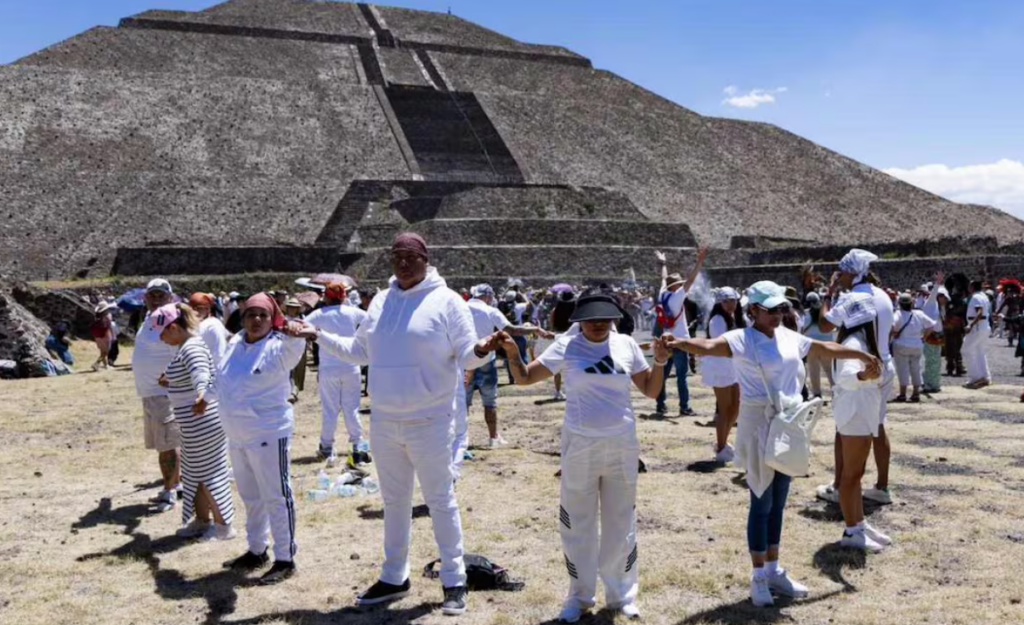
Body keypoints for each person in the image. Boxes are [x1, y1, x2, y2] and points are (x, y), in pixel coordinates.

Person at [301, 233, 503, 616]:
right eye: (397, 256)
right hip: (385, 420)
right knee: (394, 503)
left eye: (411, 256)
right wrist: (318, 335)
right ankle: (395, 576)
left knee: (440, 501)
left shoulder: (447, 301)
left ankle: (454, 579)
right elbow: (359, 351)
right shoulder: (380, 300)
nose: (404, 263)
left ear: (426, 258)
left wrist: (481, 349)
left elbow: (466, 355)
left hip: (430, 420)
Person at [665, 281, 880, 607]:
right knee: (761, 501)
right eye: (771, 309)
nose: (778, 314)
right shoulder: (741, 339)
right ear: (753, 310)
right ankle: (759, 576)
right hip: (758, 425)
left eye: (781, 308)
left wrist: (861, 354)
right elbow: (707, 345)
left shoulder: (790, 337)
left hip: (788, 424)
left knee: (779, 501)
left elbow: (824, 349)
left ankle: (773, 568)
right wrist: (679, 342)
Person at [499, 292, 668, 622]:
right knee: (577, 524)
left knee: (621, 522)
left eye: (604, 319)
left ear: (613, 319)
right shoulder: (566, 346)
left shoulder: (626, 345)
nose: (598, 325)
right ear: (579, 321)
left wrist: (660, 362)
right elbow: (524, 378)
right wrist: (512, 353)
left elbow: (650, 390)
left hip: (621, 444)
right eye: (591, 320)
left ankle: (622, 595)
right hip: (580, 446)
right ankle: (579, 597)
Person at [218, 293, 308, 585]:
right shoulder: (234, 344)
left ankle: (285, 558)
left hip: (268, 433)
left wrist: (293, 329)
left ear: (272, 319)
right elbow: (223, 379)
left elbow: (296, 346)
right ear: (242, 318)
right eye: (250, 314)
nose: (256, 320)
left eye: (263, 315)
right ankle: (257, 550)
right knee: (251, 495)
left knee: (276, 495)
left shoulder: (280, 347)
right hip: (237, 433)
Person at [817, 249, 896, 506]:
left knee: (844, 425)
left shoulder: (852, 298)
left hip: (860, 366)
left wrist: (828, 295)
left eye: (841, 272)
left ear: (852, 273)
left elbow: (825, 325)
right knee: (878, 426)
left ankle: (840, 485)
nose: (838, 277)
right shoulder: (883, 295)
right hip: (884, 362)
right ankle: (882, 486)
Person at [152, 303, 236, 542]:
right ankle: (201, 521)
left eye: (162, 332)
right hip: (192, 425)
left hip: (202, 422)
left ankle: (223, 527)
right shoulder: (186, 347)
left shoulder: (192, 348)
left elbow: (202, 375)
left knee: (210, 474)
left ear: (174, 328)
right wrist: (171, 382)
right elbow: (189, 376)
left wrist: (201, 395)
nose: (160, 338)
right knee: (193, 474)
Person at [828, 293, 891, 552]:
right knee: (851, 475)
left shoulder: (860, 341)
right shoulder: (854, 342)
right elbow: (846, 376)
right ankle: (852, 529)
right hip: (855, 414)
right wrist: (864, 376)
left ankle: (859, 524)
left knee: (856, 474)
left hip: (861, 413)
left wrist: (869, 376)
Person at [461, 284, 553, 458]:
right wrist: (536, 329)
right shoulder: (490, 310)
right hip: (486, 359)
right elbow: (512, 330)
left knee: (462, 403)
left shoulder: (459, 307)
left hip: (464, 360)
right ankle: (493, 437)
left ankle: (462, 441)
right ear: (488, 296)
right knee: (490, 401)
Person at [304, 282, 369, 467]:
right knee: (352, 408)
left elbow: (302, 326)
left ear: (326, 296)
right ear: (343, 296)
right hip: (351, 365)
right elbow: (370, 321)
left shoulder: (319, 314)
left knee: (330, 409)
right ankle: (358, 445)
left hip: (329, 368)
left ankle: (326, 447)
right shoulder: (353, 312)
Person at [132, 279, 181, 513]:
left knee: (168, 445)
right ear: (145, 298)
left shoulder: (169, 321)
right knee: (164, 445)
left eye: (161, 295)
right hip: (151, 393)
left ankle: (170, 491)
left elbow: (181, 351)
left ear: (170, 298)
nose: (156, 299)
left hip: (164, 393)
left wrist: (173, 377)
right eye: (152, 294)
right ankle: (175, 485)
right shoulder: (150, 320)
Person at [653, 247, 708, 416]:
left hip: (665, 340)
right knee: (681, 377)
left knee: (663, 374)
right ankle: (684, 407)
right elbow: (690, 280)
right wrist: (699, 261)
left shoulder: (662, 295)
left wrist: (663, 263)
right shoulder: (677, 297)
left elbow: (663, 278)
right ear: (676, 286)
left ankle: (660, 404)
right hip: (679, 341)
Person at [703, 287, 744, 464]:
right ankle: (720, 447)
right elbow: (723, 345)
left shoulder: (737, 317)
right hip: (720, 367)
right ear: (720, 303)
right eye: (726, 301)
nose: (730, 304)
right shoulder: (717, 320)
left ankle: (724, 442)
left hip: (734, 366)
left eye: (733, 300)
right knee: (724, 408)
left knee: (735, 407)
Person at [890, 293, 936, 403]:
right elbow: (931, 326)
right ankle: (916, 393)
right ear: (912, 303)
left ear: (900, 304)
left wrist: (894, 334)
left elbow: (892, 325)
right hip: (917, 344)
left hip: (901, 345)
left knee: (902, 369)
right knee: (916, 368)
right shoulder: (919, 313)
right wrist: (924, 337)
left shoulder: (898, 313)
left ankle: (903, 394)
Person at [802, 293, 835, 399]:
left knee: (814, 371)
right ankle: (836, 392)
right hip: (827, 345)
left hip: (812, 346)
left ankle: (817, 394)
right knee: (830, 370)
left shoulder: (805, 314)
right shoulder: (825, 314)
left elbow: (802, 330)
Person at [189, 293, 232, 369]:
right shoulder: (211, 323)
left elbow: (227, 338)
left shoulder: (213, 324)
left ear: (208, 309)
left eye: (199, 308)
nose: (195, 311)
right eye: (192, 308)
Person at [963, 280, 993, 389]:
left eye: (969, 286)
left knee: (966, 350)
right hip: (983, 326)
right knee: (980, 352)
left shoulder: (976, 297)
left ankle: (976, 377)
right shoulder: (984, 296)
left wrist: (970, 325)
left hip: (977, 327)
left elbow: (979, 312)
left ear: (972, 287)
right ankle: (985, 377)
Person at [921, 275, 947, 393]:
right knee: (930, 361)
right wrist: (937, 284)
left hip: (938, 336)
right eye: (943, 297)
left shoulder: (939, 307)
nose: (945, 299)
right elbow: (933, 295)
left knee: (936, 361)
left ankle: (935, 383)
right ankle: (927, 383)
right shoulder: (930, 303)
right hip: (930, 336)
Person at [549, 291, 577, 401]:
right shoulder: (575, 310)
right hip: (572, 336)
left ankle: (557, 391)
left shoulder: (555, 310)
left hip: (558, 336)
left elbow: (552, 325)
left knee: (557, 367)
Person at [90, 302, 115, 371]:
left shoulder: (96, 316)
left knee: (102, 351)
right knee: (106, 352)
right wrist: (113, 335)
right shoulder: (108, 315)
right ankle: (96, 363)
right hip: (105, 334)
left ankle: (106, 365)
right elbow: (109, 326)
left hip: (97, 335)